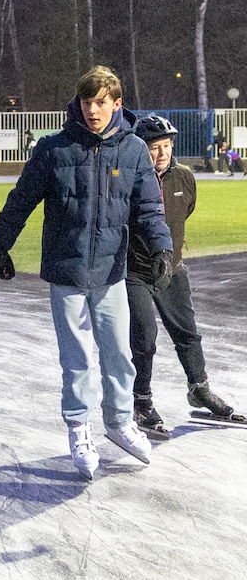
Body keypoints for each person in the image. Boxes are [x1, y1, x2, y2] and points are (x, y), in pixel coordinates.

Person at [0, 66, 173, 480]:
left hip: (111, 271)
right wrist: (1, 242)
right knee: (77, 360)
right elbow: (21, 199)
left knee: (119, 355)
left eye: (100, 103)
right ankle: (78, 427)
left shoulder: (134, 151)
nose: (92, 110)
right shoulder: (54, 148)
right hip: (66, 270)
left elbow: (148, 208)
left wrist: (162, 248)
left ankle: (120, 422)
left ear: (116, 104)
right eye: (87, 102)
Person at [126, 115, 233, 436]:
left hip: (172, 269)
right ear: (140, 149)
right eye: (154, 148)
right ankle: (141, 401)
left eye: (167, 146)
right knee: (144, 339)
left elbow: (185, 213)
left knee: (188, 334)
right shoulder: (128, 178)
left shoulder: (184, 177)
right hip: (135, 272)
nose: (161, 153)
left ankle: (199, 389)